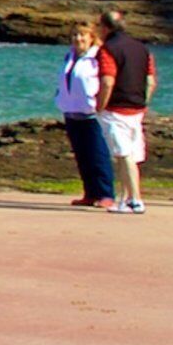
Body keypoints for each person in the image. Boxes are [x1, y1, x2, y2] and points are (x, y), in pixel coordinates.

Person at [97, 11, 157, 215]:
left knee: (124, 156)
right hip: (137, 109)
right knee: (129, 155)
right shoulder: (142, 48)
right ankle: (124, 199)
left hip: (116, 109)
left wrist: (100, 105)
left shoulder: (108, 50)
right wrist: (143, 102)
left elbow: (107, 81)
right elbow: (150, 81)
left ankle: (135, 200)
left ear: (105, 28)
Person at [57, 19, 116, 210]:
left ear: (91, 37)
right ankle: (90, 193)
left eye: (82, 34)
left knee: (97, 154)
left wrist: (99, 105)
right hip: (72, 111)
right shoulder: (70, 56)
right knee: (82, 156)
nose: (78, 39)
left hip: (91, 113)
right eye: (75, 35)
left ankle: (106, 194)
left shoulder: (98, 56)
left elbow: (107, 82)